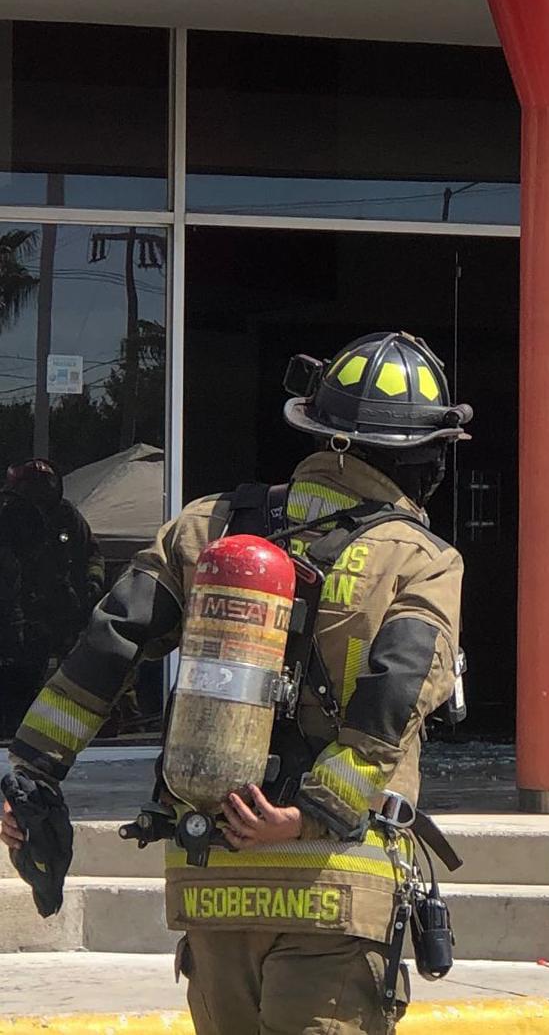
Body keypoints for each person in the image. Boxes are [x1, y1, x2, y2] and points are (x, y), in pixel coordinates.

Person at [3, 331, 471, 1033]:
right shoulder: (422, 558)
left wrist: (33, 771)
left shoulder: (206, 526)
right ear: (422, 457)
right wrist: (305, 817)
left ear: (319, 431)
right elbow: (395, 695)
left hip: (210, 881)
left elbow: (106, 646)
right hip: (332, 891)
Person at [0, 459, 104, 736]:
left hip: (65, 609)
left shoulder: (67, 515)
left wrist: (93, 582)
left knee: (83, 673)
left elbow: (91, 553)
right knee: (21, 681)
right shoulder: (8, 516)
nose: (43, 491)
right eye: (35, 486)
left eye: (47, 485)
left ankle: (82, 728)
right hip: (21, 614)